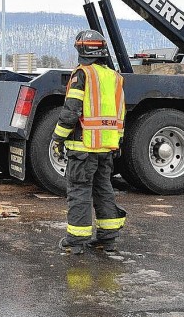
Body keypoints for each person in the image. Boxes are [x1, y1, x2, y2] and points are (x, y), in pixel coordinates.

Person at [51, 30, 127, 255]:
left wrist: (57, 138)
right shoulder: (114, 77)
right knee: (103, 189)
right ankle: (107, 238)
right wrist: (117, 141)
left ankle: (76, 240)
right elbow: (120, 114)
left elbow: (71, 110)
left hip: (83, 146)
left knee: (79, 191)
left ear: (81, 50)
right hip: (106, 147)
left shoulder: (82, 74)